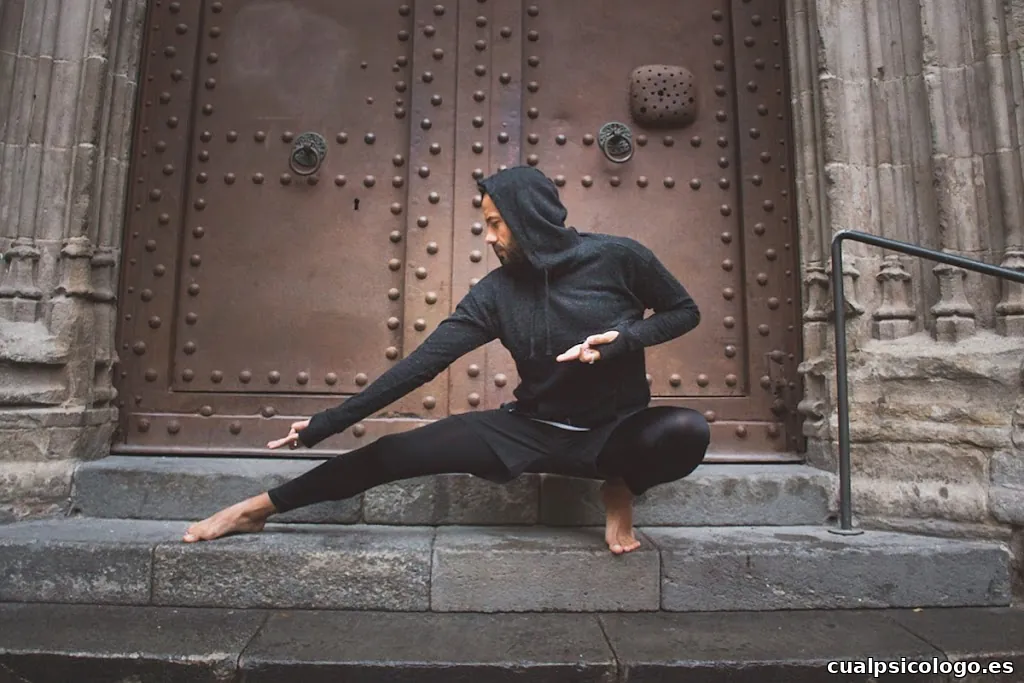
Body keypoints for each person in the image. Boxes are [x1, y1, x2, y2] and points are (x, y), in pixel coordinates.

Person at [183, 166, 710, 554]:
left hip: (614, 430)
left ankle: (621, 485)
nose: (489, 236)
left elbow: (683, 312)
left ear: (529, 222)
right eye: (487, 223)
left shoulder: (619, 257)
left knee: (686, 431)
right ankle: (258, 509)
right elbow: (420, 366)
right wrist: (325, 423)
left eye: (497, 224)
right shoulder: (495, 294)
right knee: (395, 453)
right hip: (529, 430)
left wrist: (618, 341)